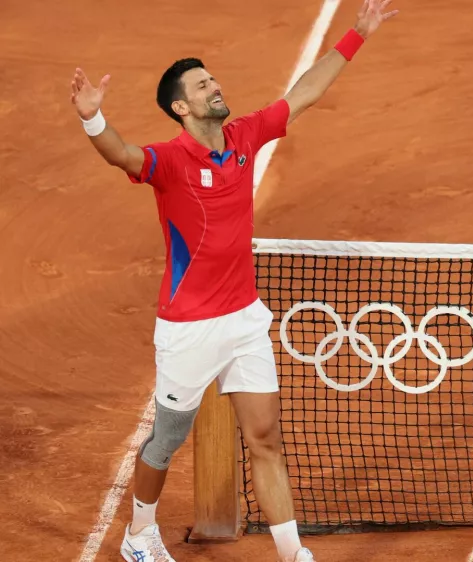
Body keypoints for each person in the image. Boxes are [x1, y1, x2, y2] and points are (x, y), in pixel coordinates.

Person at [69, 1, 398, 560]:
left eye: (213, 79)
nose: (214, 87)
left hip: (245, 319)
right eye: (202, 85)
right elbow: (119, 153)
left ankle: (294, 554)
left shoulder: (244, 137)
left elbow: (303, 94)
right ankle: (139, 535)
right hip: (189, 328)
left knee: (266, 436)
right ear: (182, 106)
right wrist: (92, 118)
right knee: (167, 439)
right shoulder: (168, 161)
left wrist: (357, 35)